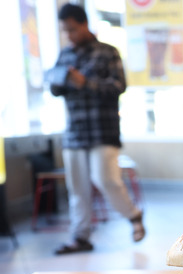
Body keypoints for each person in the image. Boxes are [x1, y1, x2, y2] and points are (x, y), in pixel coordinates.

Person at [50, 4, 144, 254]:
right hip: (74, 133)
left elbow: (118, 86)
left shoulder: (108, 52)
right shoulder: (65, 55)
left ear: (84, 24)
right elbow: (54, 88)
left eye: (72, 29)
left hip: (103, 131)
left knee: (106, 180)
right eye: (65, 31)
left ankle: (134, 216)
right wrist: (59, 81)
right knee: (77, 189)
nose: (69, 35)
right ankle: (80, 237)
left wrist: (85, 83)